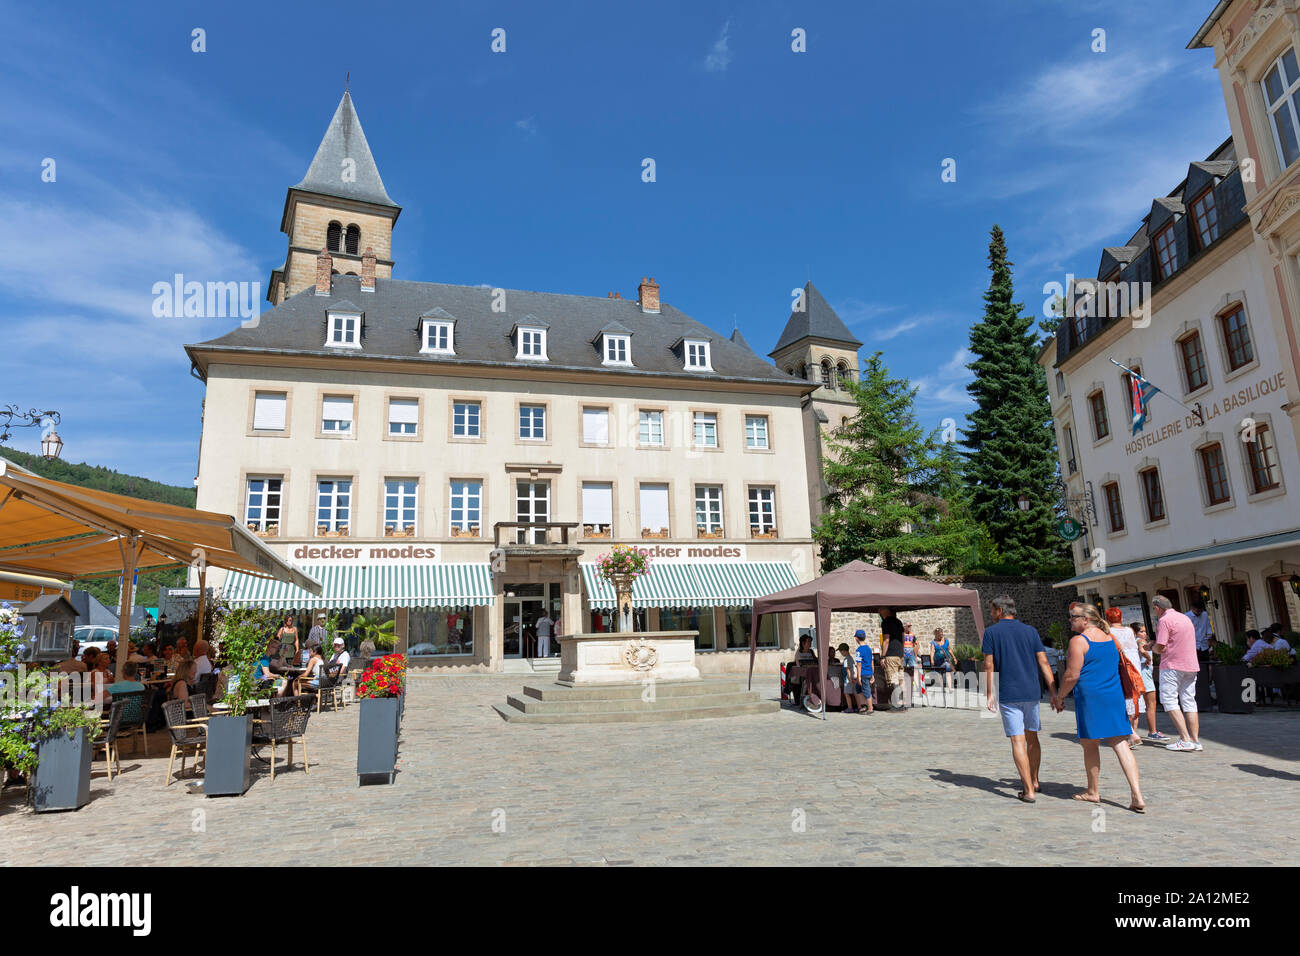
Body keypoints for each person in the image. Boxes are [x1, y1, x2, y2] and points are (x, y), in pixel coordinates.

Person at [1055, 604, 1145, 812]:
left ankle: (1093, 791)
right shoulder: (1109, 638)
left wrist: (1060, 696)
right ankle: (1137, 794)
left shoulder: (1079, 641)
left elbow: (1072, 675)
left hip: (1091, 697)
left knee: (1090, 744)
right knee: (1120, 743)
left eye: (1073, 617)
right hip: (1113, 696)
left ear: (1086, 620)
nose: (1070, 620)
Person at [982, 595, 1057, 803]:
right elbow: (1043, 661)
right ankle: (1035, 780)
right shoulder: (1031, 631)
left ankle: (1028, 791)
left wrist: (989, 693)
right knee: (1032, 737)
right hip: (1032, 691)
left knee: (1017, 740)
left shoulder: (991, 633)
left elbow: (988, 665)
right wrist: (1053, 690)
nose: (991, 614)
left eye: (991, 610)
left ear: (999, 610)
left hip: (1009, 692)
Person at [1151, 595, 1201, 752]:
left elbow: (1161, 647)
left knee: (1169, 700)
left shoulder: (1164, 620)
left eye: (1154, 609)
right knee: (1189, 701)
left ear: (1158, 607)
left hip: (1172, 665)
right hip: (1191, 664)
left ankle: (1185, 739)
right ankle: (1195, 740)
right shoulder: (1185, 618)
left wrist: (1151, 648)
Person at [1107, 608, 1145, 747]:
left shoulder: (1109, 632)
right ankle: (1133, 732)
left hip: (1123, 667)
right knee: (1135, 701)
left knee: (1124, 700)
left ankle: (1129, 734)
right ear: (1121, 618)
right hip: (1134, 666)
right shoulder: (1129, 630)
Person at [1131, 622, 1164, 740]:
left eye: (1145, 631)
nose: (1144, 634)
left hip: (1139, 676)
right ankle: (1152, 731)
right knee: (1151, 705)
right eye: (1141, 631)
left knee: (1136, 706)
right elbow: (1142, 649)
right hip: (1146, 677)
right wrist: (1149, 658)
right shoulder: (1140, 641)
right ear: (1135, 632)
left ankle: (1132, 733)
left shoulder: (1132, 642)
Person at [878, 607, 906, 712]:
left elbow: (886, 640)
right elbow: (903, 637)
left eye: (880, 610)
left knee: (894, 680)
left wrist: (883, 656)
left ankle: (897, 705)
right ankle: (903, 704)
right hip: (899, 655)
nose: (879, 612)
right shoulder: (898, 622)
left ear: (885, 610)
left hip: (891, 655)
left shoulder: (886, 622)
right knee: (900, 680)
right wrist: (901, 651)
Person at [931, 627, 954, 706]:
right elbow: (932, 651)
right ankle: (942, 688)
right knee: (939, 674)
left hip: (945, 660)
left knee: (948, 670)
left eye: (942, 634)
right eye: (939, 634)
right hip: (937, 661)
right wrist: (932, 660)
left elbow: (949, 649)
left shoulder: (946, 640)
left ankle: (950, 688)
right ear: (936, 634)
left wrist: (954, 657)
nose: (941, 635)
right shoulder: (933, 642)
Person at [853, 630, 875, 714]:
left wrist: (858, 677)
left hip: (864, 673)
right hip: (869, 672)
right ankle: (866, 704)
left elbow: (859, 664)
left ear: (856, 638)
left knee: (866, 690)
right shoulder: (869, 649)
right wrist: (873, 674)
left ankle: (870, 708)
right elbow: (872, 662)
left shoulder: (859, 650)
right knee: (858, 689)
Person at [901, 624, 919, 708]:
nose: (909, 628)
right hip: (904, 652)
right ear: (904, 627)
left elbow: (917, 644)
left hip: (911, 652)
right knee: (903, 668)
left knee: (913, 667)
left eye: (910, 626)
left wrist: (915, 653)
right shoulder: (902, 634)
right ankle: (903, 681)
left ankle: (913, 681)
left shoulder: (912, 634)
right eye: (907, 626)